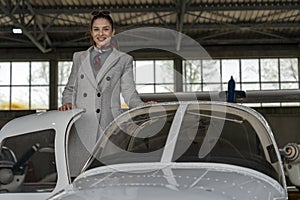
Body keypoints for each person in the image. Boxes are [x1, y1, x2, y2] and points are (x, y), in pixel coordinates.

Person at [58, 10, 155, 177]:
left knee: (108, 177)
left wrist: (141, 107)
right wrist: (67, 102)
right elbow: (70, 88)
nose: (100, 34)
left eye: (105, 29)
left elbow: (129, 92)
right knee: (78, 176)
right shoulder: (79, 58)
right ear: (91, 32)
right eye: (96, 29)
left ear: (113, 31)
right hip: (82, 126)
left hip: (109, 126)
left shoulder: (124, 60)